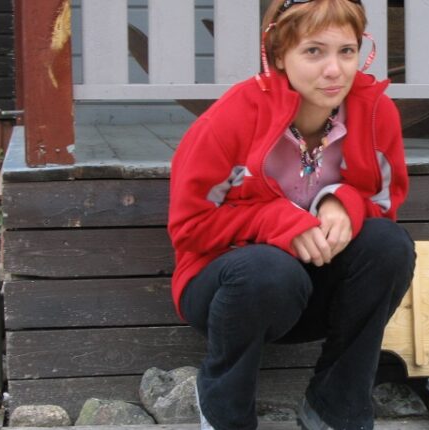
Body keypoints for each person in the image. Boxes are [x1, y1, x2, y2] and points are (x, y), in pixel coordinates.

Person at [167, 1, 416, 429]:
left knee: (389, 246)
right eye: (314, 51)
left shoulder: (376, 112)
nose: (334, 70)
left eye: (347, 51)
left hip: (318, 290)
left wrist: (342, 201)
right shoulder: (233, 117)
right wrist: (277, 221)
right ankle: (225, 414)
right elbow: (190, 227)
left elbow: (382, 202)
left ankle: (335, 411)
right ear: (279, 54)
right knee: (268, 269)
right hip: (230, 290)